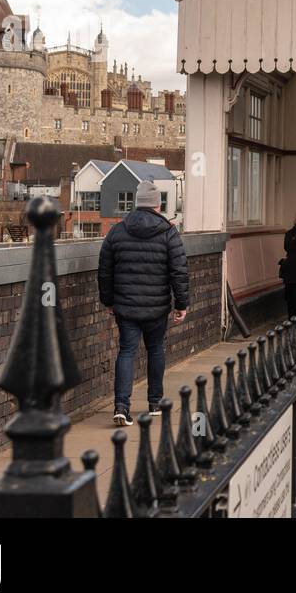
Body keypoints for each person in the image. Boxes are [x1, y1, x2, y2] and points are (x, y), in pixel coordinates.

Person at [99, 180, 190, 427]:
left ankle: (121, 406)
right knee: (156, 349)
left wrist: (108, 300)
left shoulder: (117, 231)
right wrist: (181, 303)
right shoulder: (168, 232)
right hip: (157, 307)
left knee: (127, 350)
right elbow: (179, 271)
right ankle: (155, 402)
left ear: (137, 203)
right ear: (158, 205)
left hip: (126, 306)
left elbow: (105, 270)